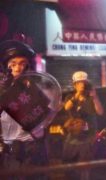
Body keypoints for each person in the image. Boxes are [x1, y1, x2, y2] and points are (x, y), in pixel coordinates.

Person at [0, 40, 48, 179]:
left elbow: (45, 117)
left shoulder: (35, 87)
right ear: (6, 67)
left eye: (22, 63)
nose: (18, 68)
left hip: (33, 149)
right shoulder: (3, 87)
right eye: (13, 64)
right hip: (10, 150)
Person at [62, 71, 104, 179]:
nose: (82, 85)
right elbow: (67, 107)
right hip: (72, 138)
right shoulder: (71, 97)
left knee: (85, 169)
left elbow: (100, 112)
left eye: (84, 82)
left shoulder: (91, 98)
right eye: (79, 83)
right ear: (75, 85)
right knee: (68, 166)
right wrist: (78, 94)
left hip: (88, 138)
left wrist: (94, 97)